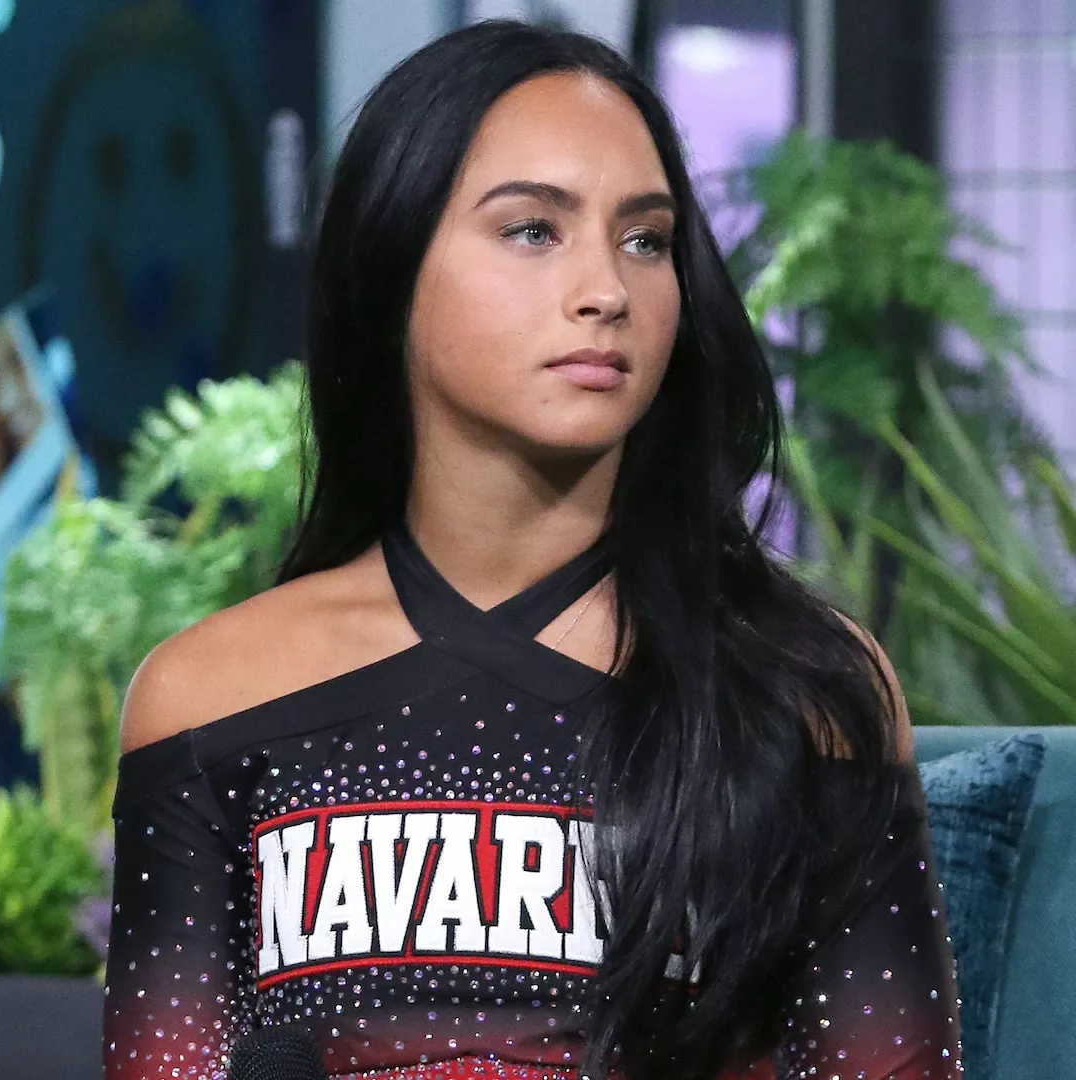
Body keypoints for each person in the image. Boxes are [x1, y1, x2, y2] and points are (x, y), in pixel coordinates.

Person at [103, 20, 962, 1080]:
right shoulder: (208, 699)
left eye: (645, 240)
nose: (606, 290)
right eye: (531, 230)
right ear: (391, 262)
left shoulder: (805, 687)